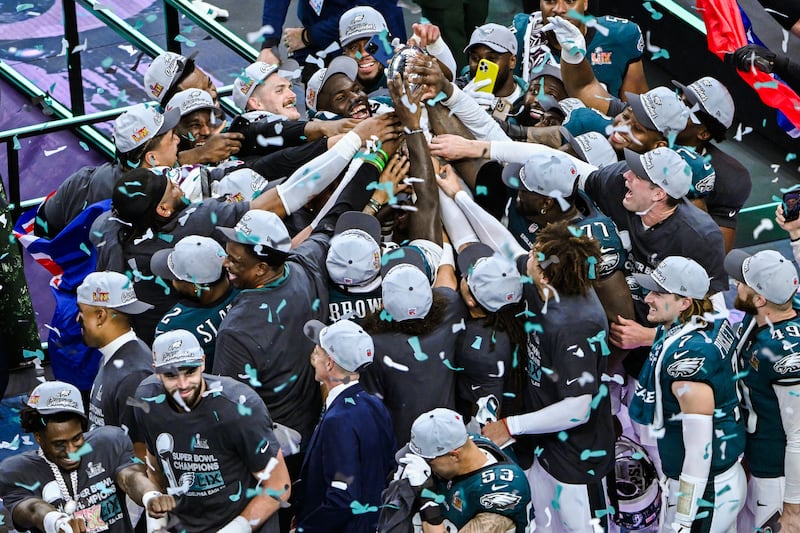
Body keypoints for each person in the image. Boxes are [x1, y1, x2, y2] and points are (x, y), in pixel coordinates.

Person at [482, 220, 615, 532]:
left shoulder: (575, 326)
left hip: (577, 461)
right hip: (546, 444)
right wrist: (457, 195)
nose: (528, 253)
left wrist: (509, 427)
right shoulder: (548, 283)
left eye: (535, 252)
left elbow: (577, 410)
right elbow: (503, 244)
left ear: (544, 273)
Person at [627, 256, 745, 531]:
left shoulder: (688, 362)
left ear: (685, 302)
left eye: (659, 293)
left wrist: (683, 516)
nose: (648, 299)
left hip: (706, 493)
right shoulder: (701, 324)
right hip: (717, 481)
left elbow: (699, 451)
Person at [133, 329, 291, 532]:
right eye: (171, 375)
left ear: (203, 362)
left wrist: (235, 529)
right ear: (156, 370)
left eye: (190, 371)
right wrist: (157, 524)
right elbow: (156, 470)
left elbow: (279, 485)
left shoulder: (239, 407)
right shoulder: (148, 401)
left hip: (242, 521)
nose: (182, 385)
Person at [0, 381, 175, 533]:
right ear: (38, 437)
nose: (71, 451)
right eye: (59, 444)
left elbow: (130, 476)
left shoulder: (108, 443)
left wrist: (150, 495)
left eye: (76, 438)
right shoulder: (17, 472)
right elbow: (31, 509)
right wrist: (57, 521)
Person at [292, 318, 397, 531]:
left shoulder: (338, 420)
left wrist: (305, 528)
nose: (313, 355)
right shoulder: (374, 404)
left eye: (318, 351)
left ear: (329, 363)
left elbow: (342, 500)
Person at [726, 249, 800, 532]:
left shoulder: (785, 354)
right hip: (754, 456)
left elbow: (798, 434)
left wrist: (793, 508)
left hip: (777, 475)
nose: (736, 284)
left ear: (760, 299)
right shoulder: (766, 315)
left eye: (743, 282)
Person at [388, 407, 531, 532]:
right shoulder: (470, 443)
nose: (426, 467)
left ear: (454, 456)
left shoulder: (500, 489)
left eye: (428, 461)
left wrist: (427, 498)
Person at [512, 0, 647, 96]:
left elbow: (634, 115)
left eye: (570, 1)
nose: (559, 9)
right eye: (550, 0)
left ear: (585, 2)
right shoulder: (522, 32)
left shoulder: (620, 36)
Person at [77, 271, 153, 440]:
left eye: (81, 312)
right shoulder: (113, 354)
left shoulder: (133, 376)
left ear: (100, 316)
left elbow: (139, 452)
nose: (77, 319)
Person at [257, 0, 406, 82]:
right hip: (320, 41)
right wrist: (269, 44)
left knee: (384, 96)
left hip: (373, 44)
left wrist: (307, 36)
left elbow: (364, 10)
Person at [143, 51, 245, 165]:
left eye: (209, 83)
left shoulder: (219, 120)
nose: (212, 94)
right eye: (199, 93)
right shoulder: (151, 139)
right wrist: (198, 155)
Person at [151, 235, 237, 370]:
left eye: (175, 278)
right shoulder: (248, 289)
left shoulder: (172, 326)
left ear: (195, 287)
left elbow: (172, 378)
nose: (172, 282)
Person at [457, 23, 527, 124]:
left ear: (512, 61)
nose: (482, 65)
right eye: (475, 58)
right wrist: (460, 106)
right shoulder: (458, 89)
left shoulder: (529, 100)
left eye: (491, 59)